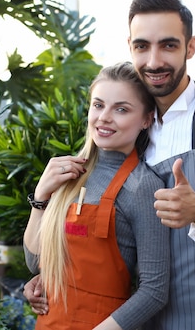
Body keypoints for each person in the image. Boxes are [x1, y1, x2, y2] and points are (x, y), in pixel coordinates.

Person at [26, 0, 195, 329]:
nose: (154, 61)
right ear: (131, 46)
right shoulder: (130, 128)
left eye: (168, 45)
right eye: (142, 46)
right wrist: (51, 279)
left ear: (191, 46)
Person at [23, 61, 170, 330]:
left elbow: (155, 291)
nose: (104, 117)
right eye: (98, 105)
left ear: (146, 119)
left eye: (121, 109)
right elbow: (35, 263)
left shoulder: (142, 187)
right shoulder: (70, 173)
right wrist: (42, 194)